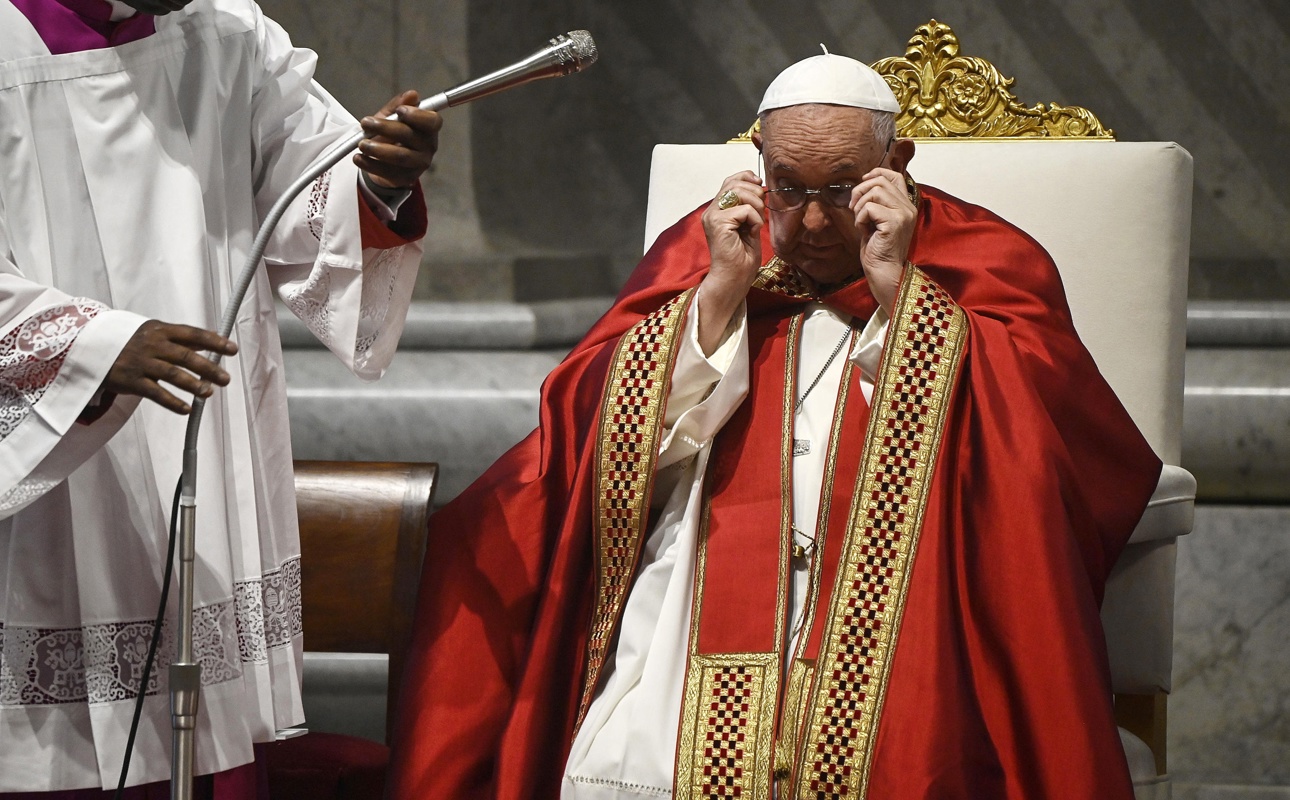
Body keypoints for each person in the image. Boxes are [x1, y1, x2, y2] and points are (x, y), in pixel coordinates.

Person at [388, 53, 1162, 799]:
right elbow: (587, 424)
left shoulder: (987, 256)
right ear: (758, 160)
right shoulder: (712, 244)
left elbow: (1063, 435)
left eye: (843, 187)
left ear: (899, 158)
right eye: (789, 187)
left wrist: (903, 297)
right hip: (699, 593)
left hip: (917, 600)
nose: (817, 220)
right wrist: (719, 296)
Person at [0, 0, 441, 793]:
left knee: (199, 736)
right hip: (48, 472)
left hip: (206, 440)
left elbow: (318, 187)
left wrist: (381, 175)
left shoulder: (227, 33)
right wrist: (89, 347)